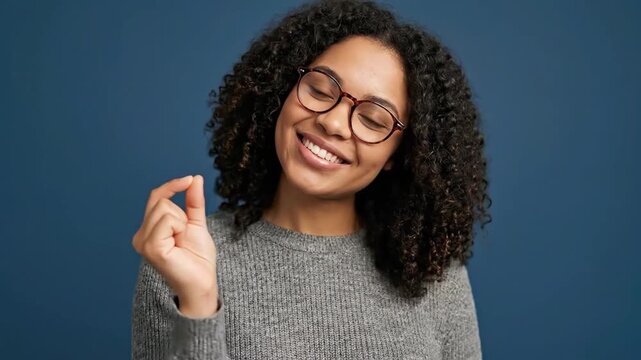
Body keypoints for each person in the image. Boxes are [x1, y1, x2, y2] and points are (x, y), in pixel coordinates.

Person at [130, 0, 492, 359]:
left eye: (373, 119)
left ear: (397, 156)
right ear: (282, 90)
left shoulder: (433, 275)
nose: (332, 123)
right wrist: (199, 305)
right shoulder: (184, 259)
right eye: (320, 90)